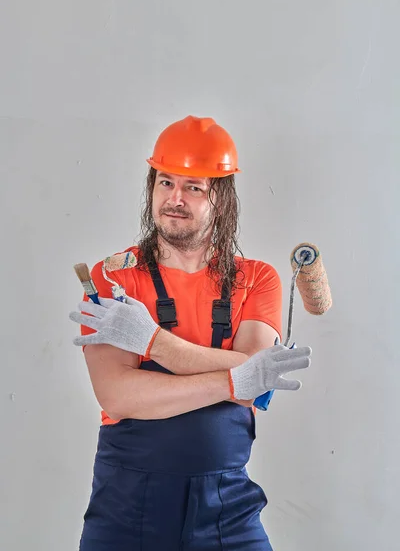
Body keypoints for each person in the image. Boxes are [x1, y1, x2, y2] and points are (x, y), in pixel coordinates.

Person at [69, 115, 312, 551]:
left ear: (221, 199)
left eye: (193, 187)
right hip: (127, 507)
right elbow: (118, 396)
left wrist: (153, 343)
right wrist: (236, 377)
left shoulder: (257, 279)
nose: (174, 199)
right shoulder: (113, 279)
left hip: (228, 509)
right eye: (165, 183)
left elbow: (258, 382)